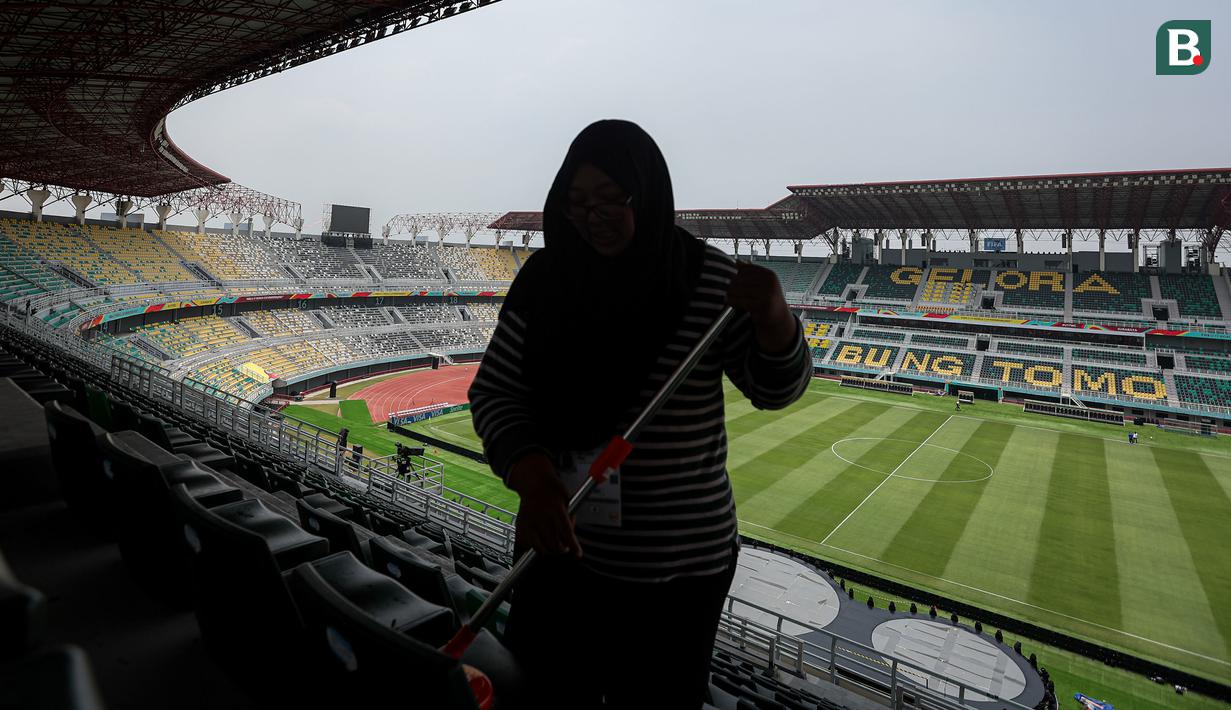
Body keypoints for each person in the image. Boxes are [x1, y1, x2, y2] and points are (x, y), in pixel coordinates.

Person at [467, 120, 811, 709]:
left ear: (647, 194)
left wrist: (776, 319)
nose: (593, 216)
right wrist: (534, 478)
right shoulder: (544, 280)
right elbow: (495, 392)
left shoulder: (708, 278)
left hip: (682, 575)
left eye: (611, 198)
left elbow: (775, 390)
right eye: (577, 202)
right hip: (562, 554)